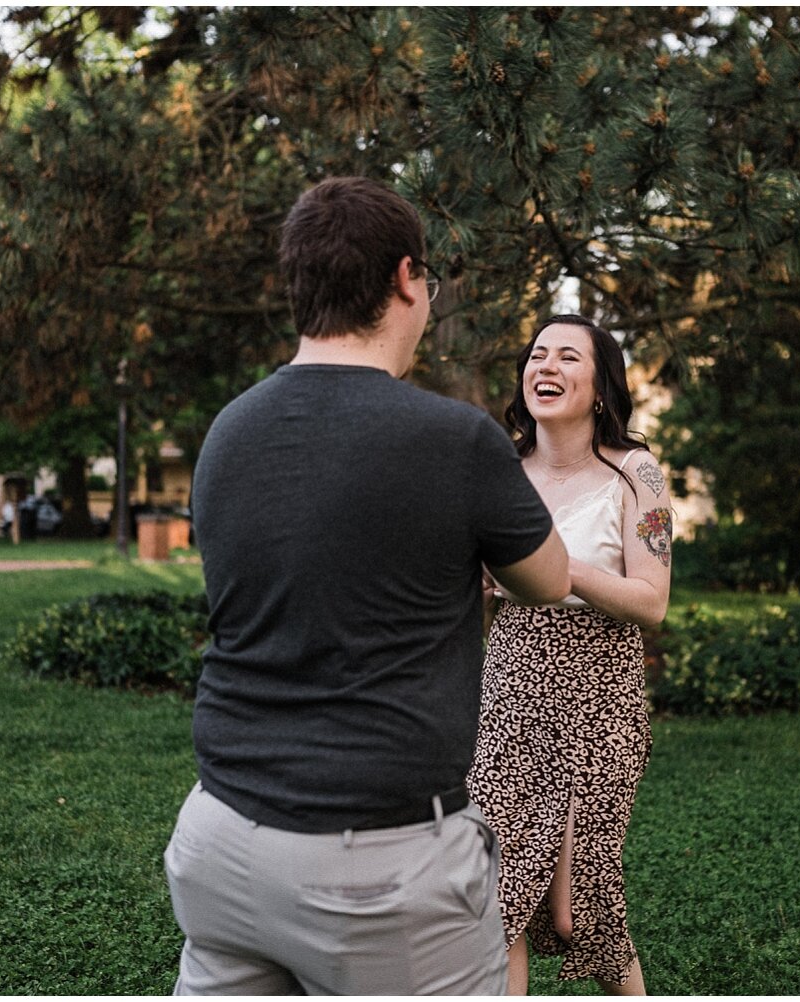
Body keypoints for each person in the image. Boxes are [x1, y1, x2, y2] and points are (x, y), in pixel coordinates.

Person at [164, 177, 571, 996]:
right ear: (406, 279)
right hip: (376, 867)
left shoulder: (229, 431)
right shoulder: (454, 437)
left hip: (219, 842)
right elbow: (551, 579)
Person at [468, 314, 673, 996]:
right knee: (502, 897)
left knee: (578, 905)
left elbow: (651, 601)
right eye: (536, 355)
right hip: (510, 692)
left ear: (601, 385)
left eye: (566, 357)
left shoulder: (636, 471)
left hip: (599, 696)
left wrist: (556, 568)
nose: (544, 367)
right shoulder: (502, 470)